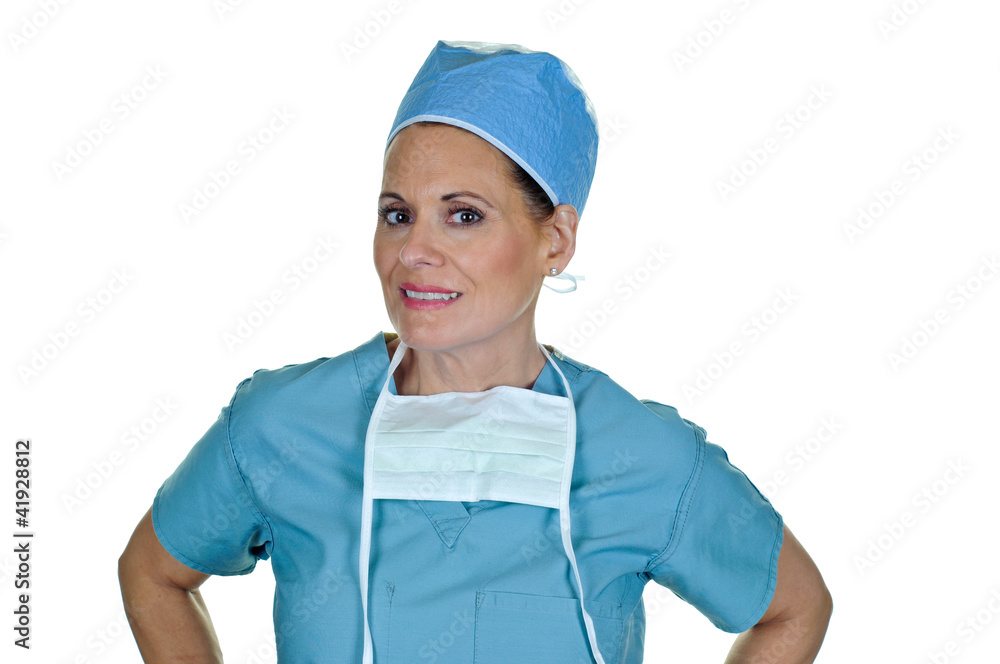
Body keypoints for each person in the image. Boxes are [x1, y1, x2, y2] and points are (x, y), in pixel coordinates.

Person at [118, 40, 832, 663]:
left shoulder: (642, 456)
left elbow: (795, 608)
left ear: (556, 239)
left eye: (464, 215)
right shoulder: (282, 425)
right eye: (397, 214)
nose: (414, 251)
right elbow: (152, 572)